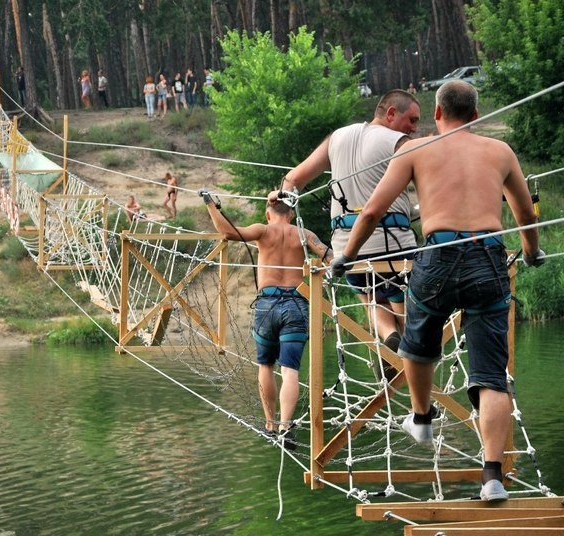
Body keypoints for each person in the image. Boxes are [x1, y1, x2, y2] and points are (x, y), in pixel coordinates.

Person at [331, 80, 544, 502]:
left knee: (419, 342)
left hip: (439, 256)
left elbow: (373, 210)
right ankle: (493, 477)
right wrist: (531, 252)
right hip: (488, 257)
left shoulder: (415, 148)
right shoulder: (500, 152)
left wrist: (345, 257)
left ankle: (422, 416)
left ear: (437, 113)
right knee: (491, 376)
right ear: (477, 115)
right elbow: (522, 212)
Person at [270, 90, 421, 376]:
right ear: (390, 113)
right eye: (411, 120)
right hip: (395, 247)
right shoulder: (400, 143)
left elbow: (292, 180)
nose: (413, 128)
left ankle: (389, 337)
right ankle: (420, 401)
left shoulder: (336, 137)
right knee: (408, 321)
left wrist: (279, 202)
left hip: (347, 250)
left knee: (371, 300)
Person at [203, 193, 331, 441]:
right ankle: (285, 426)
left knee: (265, 365)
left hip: (267, 306)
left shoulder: (262, 230)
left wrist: (211, 205)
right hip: (296, 303)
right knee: (290, 370)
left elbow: (228, 232)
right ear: (292, 214)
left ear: (268, 213)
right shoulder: (304, 234)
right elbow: (331, 256)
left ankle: (270, 425)